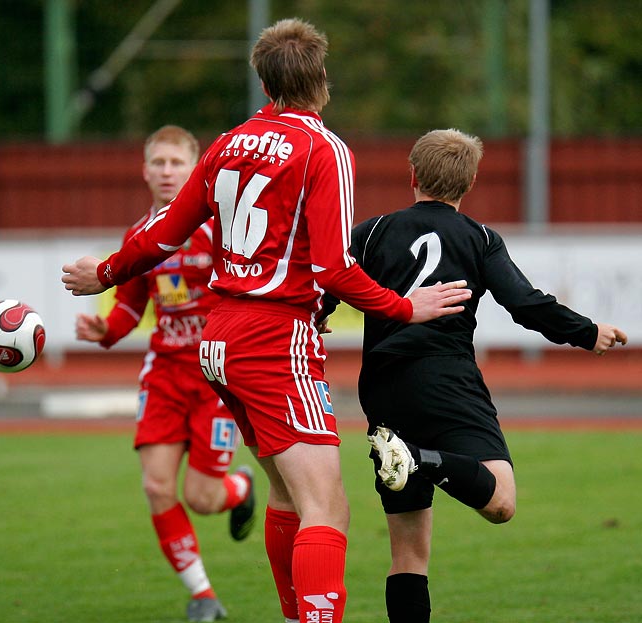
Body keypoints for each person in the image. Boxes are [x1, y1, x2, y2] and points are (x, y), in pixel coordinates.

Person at [62, 20, 472, 623]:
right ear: (322, 79)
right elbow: (333, 267)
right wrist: (406, 306)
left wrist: (106, 272)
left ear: (262, 79)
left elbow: (164, 230)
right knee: (326, 509)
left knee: (285, 493)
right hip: (275, 340)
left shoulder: (228, 143)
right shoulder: (323, 148)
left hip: (218, 337)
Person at [326, 128, 628, 622]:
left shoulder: (371, 232)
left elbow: (327, 286)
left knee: (407, 555)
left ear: (412, 176)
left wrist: (312, 322)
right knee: (501, 500)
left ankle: (414, 459)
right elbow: (526, 305)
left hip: (382, 388)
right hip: (447, 382)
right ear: (468, 185)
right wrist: (587, 332)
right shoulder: (481, 238)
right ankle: (422, 460)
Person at [74, 125, 255, 623]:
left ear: (195, 168)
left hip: (217, 379)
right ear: (146, 170)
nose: (168, 171)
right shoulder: (138, 235)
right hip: (164, 377)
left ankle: (240, 487)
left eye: (177, 163)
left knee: (202, 498)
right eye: (159, 163)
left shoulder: (220, 226)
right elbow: (131, 305)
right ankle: (202, 596)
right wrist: (103, 329)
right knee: (156, 487)